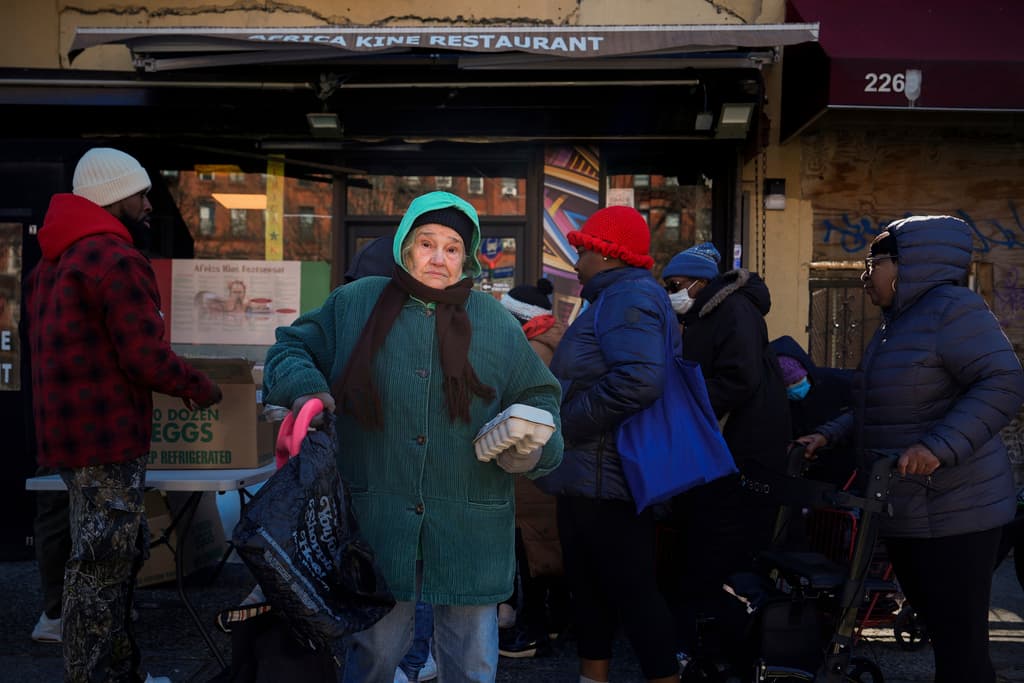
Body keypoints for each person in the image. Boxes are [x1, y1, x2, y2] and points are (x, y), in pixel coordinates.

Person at [262, 190, 564, 683]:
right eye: (427, 243)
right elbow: (289, 349)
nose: (439, 258)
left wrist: (533, 444)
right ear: (405, 246)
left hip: (470, 528)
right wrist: (306, 388)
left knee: (472, 665)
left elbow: (541, 396)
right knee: (373, 658)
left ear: (467, 258)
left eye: (452, 248)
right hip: (379, 525)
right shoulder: (355, 303)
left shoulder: (494, 322)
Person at [25, 147, 223, 683]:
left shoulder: (51, 263)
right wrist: (201, 387)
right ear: (115, 197)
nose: (148, 203)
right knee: (101, 569)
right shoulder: (116, 260)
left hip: (66, 437)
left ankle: (118, 675)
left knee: (105, 559)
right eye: (141, 193)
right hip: (108, 437)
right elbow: (144, 357)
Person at [798, 216, 1024, 683]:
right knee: (943, 634)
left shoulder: (953, 310)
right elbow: (877, 405)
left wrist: (937, 447)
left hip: (957, 510)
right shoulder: (896, 325)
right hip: (907, 507)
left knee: (960, 648)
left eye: (873, 264)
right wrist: (829, 434)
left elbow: (1003, 381)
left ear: (910, 265)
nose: (865, 277)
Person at [535, 206, 680, 683]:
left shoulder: (628, 297)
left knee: (632, 592)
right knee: (591, 590)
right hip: (590, 474)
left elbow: (640, 380)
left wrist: (566, 425)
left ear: (607, 253)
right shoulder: (614, 297)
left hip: (607, 475)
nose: (575, 261)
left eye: (582, 250)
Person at [659, 242, 790, 661]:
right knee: (707, 544)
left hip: (740, 450)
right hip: (724, 449)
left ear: (699, 283)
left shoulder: (732, 310)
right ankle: (707, 639)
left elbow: (738, 379)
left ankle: (720, 644)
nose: (671, 293)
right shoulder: (706, 314)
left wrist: (683, 403)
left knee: (722, 544)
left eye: (675, 285)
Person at [498, 279, 570, 658]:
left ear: (517, 318)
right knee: (545, 545)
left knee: (531, 548)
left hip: (532, 463)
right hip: (551, 464)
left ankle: (532, 632)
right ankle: (555, 622)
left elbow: (518, 409)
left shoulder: (533, 351)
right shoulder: (553, 341)